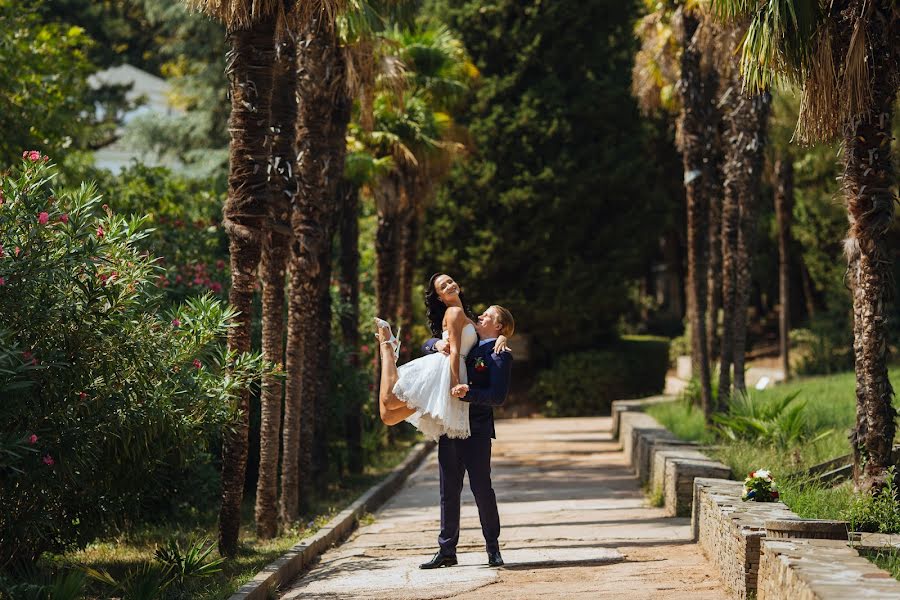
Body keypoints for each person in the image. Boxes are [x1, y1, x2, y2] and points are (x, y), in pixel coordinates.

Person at [375, 273, 507, 440]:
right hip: (443, 372)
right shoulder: (453, 312)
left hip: (451, 373)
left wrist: (502, 336)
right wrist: (454, 384)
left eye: (450, 281)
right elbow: (455, 352)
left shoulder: (468, 318)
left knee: (389, 417)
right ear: (439, 297)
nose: (449, 286)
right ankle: (387, 347)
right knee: (389, 401)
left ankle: (390, 349)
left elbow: (486, 337)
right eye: (443, 286)